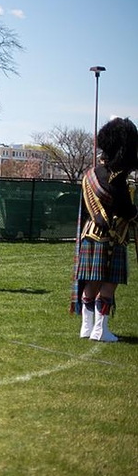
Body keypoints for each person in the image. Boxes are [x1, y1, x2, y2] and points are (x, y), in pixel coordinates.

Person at [73, 117, 138, 342]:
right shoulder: (117, 179)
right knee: (109, 283)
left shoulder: (90, 175)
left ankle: (86, 327)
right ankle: (100, 330)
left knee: (91, 282)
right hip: (113, 235)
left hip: (90, 233)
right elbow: (126, 210)